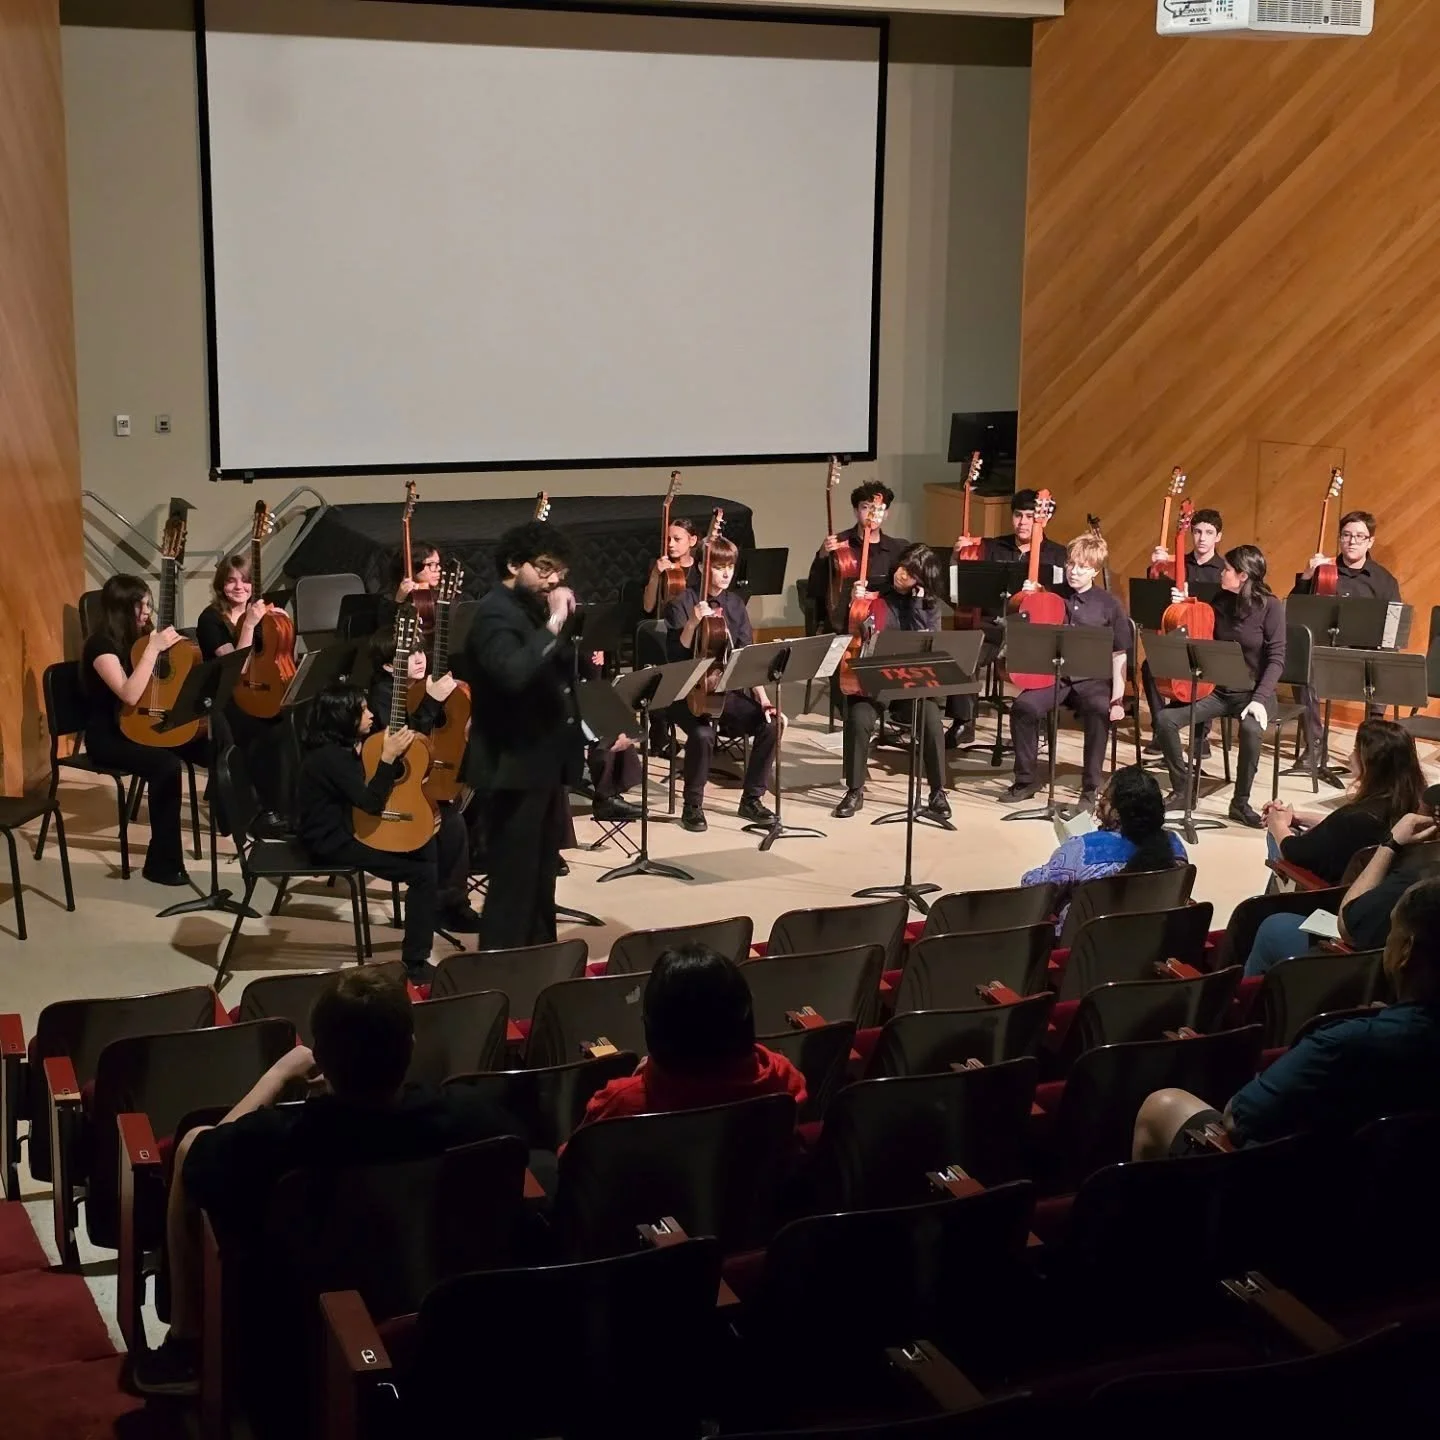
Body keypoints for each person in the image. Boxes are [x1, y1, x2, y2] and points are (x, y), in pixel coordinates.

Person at [131, 967, 519, 1395]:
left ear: (322, 1056)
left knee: (189, 1143)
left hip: (297, 1330)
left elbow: (198, 1159)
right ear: (409, 1045)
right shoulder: (471, 1117)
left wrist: (276, 1076)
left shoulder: (281, 1139)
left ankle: (185, 1347)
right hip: (433, 1308)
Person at [1133, 875, 1440, 1160]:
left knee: (1163, 1106)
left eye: (1392, 933)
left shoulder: (1343, 1044)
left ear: (1406, 952)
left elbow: (1237, 1119)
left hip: (1298, 1195)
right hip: (1402, 1195)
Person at [463, 520, 585, 948]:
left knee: (540, 875)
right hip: (510, 766)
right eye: (545, 569)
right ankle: (501, 970)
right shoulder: (495, 612)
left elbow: (558, 678)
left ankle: (540, 957)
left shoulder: (528, 608)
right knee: (513, 881)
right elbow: (513, 673)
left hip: (542, 762)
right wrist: (552, 624)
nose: (553, 581)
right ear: (515, 564)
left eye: (559, 574)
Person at [295, 685, 438, 983]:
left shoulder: (340, 748)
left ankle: (430, 916)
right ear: (342, 717)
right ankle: (415, 962)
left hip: (347, 825)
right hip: (331, 840)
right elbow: (371, 804)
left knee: (425, 846)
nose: (371, 713)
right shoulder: (331, 758)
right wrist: (386, 759)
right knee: (423, 873)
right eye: (363, 709)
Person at [578, 943, 807, 1128]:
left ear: (654, 1026)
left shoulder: (620, 1104)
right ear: (743, 1017)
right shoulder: (781, 1076)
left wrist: (642, 1079)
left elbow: (572, 1163)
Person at [79, 574, 210, 886]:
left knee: (213, 744)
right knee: (165, 766)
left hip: (143, 725)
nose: (147, 612)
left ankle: (242, 830)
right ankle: (162, 862)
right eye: (140, 606)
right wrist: (152, 651)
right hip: (108, 736)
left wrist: (176, 651)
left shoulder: (141, 639)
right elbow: (128, 694)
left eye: (149, 604)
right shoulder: (101, 646)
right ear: (120, 609)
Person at [1153, 545, 1285, 829]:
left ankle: (1240, 802)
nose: (1221, 573)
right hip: (1218, 691)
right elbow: (1197, 632)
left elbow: (1277, 660)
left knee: (1250, 729)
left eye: (1226, 569)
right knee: (1165, 719)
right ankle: (1183, 790)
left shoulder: (1271, 607)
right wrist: (1183, 606)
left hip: (1255, 694)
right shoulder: (1221, 600)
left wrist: (1260, 698)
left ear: (1242, 575)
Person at [366, 629, 482, 934]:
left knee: (478, 792)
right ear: (389, 667)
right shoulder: (383, 693)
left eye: (420, 651)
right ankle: (448, 904)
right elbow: (405, 742)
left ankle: (468, 872)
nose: (419, 659)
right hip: (394, 787)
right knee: (451, 820)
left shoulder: (422, 684)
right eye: (408, 655)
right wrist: (432, 700)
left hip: (424, 775)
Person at [1243, 800, 1440, 977]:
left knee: (1273, 927)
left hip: (1373, 972)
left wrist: (1390, 844)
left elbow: (1349, 926)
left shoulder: (1420, 879)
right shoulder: (1391, 806)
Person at [1004, 531, 1129, 808]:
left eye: (1082, 567)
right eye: (1071, 564)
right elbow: (1021, 627)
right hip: (1055, 676)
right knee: (1024, 707)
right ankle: (1026, 779)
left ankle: (1091, 786)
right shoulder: (1051, 594)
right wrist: (1026, 598)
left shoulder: (1110, 605)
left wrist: (1117, 698)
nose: (1074, 571)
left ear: (1095, 570)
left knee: (1099, 710)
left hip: (1092, 679)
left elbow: (1120, 654)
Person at [664, 533, 778, 833]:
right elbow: (675, 655)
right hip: (685, 694)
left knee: (770, 724)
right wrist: (692, 622)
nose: (726, 573)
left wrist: (764, 700)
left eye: (730, 566)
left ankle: (752, 799)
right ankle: (693, 806)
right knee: (701, 734)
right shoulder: (682, 601)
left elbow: (745, 656)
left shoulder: (736, 605)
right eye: (719, 566)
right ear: (702, 568)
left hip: (723, 690)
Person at [833, 543, 950, 820]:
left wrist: (919, 605)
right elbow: (844, 628)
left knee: (932, 719)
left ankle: (937, 791)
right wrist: (851, 603)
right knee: (859, 719)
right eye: (902, 567)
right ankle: (854, 789)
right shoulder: (874, 594)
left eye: (911, 574)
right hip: (873, 683)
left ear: (921, 581)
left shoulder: (928, 605)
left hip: (908, 684)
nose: (902, 575)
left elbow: (930, 643)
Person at [947, 489, 1069, 747]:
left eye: (1029, 516)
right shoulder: (990, 547)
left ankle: (1040, 720)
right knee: (961, 654)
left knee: (1047, 655)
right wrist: (957, 555)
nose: (1023, 522)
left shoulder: (1058, 554)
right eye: (1017, 515)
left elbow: (1062, 599)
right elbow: (960, 586)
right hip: (993, 626)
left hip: (1032, 632)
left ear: (1043, 518)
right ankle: (963, 722)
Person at [1020, 765, 1186, 932]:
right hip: (1150, 941)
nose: (1098, 809)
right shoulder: (1175, 847)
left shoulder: (1084, 849)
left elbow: (1034, 890)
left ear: (1117, 813)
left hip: (1084, 949)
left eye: (1103, 801)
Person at [1262, 719, 1426, 887]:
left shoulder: (1355, 818)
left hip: (1329, 895)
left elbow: (1295, 853)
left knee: (1276, 838)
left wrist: (1277, 824)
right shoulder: (1414, 802)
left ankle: (1272, 901)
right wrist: (1298, 816)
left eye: (1355, 750)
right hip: (1378, 888)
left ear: (1370, 763)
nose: (1349, 756)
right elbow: (1339, 829)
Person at [1290, 509, 1402, 754]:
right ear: (1339, 538)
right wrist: (1307, 576)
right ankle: (1315, 745)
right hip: (1326, 651)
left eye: (1360, 536)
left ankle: (1369, 746)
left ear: (1370, 541)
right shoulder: (1323, 569)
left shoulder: (1384, 580)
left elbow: (1393, 627)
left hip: (1362, 656)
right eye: (1346, 535)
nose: (1352, 541)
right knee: (1302, 668)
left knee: (1386, 662)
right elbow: (1295, 610)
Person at [196, 553, 289, 823]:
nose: (239, 587)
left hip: (258, 689)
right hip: (224, 696)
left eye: (245, 581)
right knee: (264, 731)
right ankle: (259, 809)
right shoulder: (210, 619)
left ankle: (283, 806)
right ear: (220, 585)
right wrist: (248, 624)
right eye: (231, 581)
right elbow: (236, 669)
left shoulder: (263, 614)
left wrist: (280, 624)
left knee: (289, 722)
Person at [1142, 507, 1225, 732]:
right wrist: (1156, 567)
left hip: (1207, 640)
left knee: (1203, 669)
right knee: (1150, 667)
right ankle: (1162, 729)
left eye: (1209, 533)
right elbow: (1153, 598)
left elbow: (1223, 610)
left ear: (1218, 537)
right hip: (1177, 637)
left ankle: (1201, 735)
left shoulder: (1224, 571)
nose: (1202, 538)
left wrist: (1190, 599)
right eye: (1197, 532)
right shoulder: (1177, 564)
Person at [808, 479, 909, 631]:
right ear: (856, 511)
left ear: (886, 514)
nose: (872, 514)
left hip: (885, 626)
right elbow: (817, 589)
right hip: (845, 625)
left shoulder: (899, 548)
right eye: (866, 507)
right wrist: (823, 555)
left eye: (878, 509)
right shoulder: (840, 545)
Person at [642, 516, 700, 617]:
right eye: (668, 539)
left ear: (692, 540)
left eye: (677, 539)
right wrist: (655, 574)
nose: (670, 544)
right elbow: (648, 607)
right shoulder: (658, 565)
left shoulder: (699, 567)